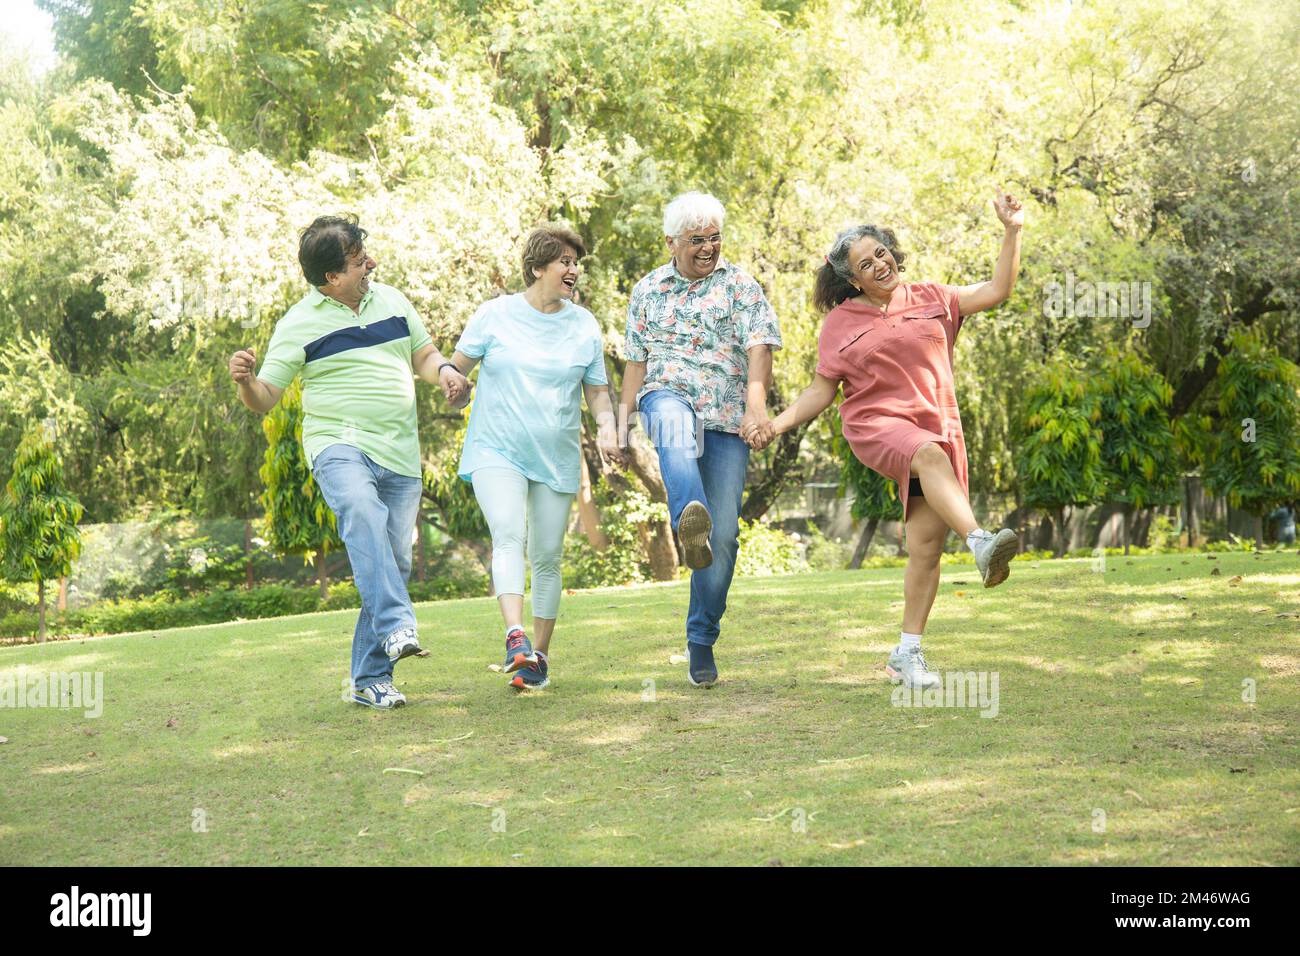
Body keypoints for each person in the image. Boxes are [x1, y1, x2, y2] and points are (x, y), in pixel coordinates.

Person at [761, 192, 1025, 690]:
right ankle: (981, 541)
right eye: (865, 263)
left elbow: (997, 289)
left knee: (926, 547)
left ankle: (906, 653)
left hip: (938, 433)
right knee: (925, 453)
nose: (879, 264)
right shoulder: (840, 323)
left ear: (892, 252)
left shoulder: (933, 297)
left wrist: (1011, 230)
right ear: (852, 279)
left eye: (881, 252)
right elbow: (821, 390)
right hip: (877, 426)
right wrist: (774, 426)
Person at [229, 214, 470, 709]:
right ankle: (398, 625)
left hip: (400, 451)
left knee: (390, 563)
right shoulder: (299, 323)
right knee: (360, 510)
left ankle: (368, 679)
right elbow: (267, 397)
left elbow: (421, 355)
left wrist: (444, 371)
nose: (371, 264)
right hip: (337, 445)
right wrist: (245, 382)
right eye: (360, 261)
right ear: (331, 278)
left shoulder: (393, 300)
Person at [446, 224, 622, 691]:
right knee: (508, 534)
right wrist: (454, 387)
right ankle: (514, 635)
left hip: (556, 453)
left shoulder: (583, 324)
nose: (573, 270)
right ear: (538, 268)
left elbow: (598, 393)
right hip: (496, 447)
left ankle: (537, 659)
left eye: (576, 262)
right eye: (564, 261)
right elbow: (454, 373)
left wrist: (607, 429)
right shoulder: (494, 315)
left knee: (546, 555)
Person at [620, 192, 782, 688]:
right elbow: (635, 362)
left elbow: (760, 348)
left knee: (726, 538)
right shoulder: (648, 289)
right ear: (671, 242)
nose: (709, 247)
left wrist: (756, 408)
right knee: (671, 424)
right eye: (697, 240)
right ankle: (690, 519)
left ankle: (701, 637)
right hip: (668, 394)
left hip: (728, 417)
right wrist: (620, 423)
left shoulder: (741, 286)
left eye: (714, 237)